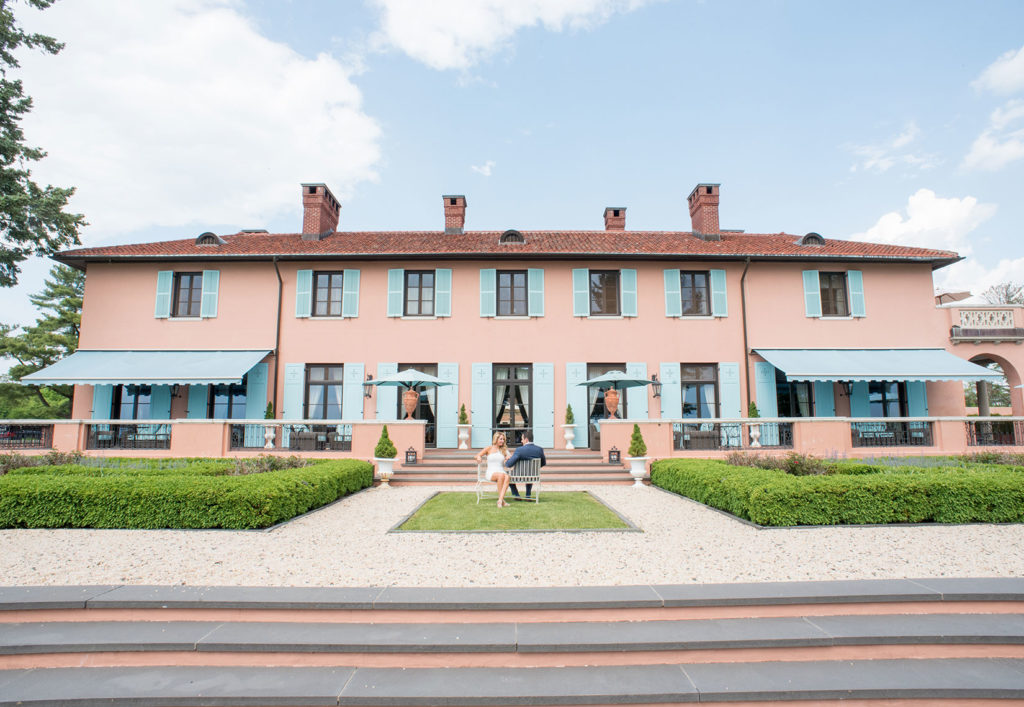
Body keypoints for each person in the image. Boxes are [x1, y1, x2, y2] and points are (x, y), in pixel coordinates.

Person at [504, 430, 546, 500]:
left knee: (506, 474)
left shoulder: (519, 450)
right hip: (534, 475)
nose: (521, 441)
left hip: (518, 476)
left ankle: (516, 495)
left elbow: (509, 464)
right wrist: (534, 469)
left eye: (522, 439)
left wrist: (507, 459)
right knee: (529, 473)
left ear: (526, 440)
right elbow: (543, 463)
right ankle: (528, 495)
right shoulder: (540, 449)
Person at [475, 431, 512, 507]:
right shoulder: (489, 448)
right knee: (501, 476)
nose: (502, 441)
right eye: (501, 439)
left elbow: (510, 458)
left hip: (501, 470)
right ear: (496, 439)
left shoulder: (504, 450)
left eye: (503, 439)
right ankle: (502, 501)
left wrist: (508, 458)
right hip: (491, 472)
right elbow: (477, 455)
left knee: (507, 477)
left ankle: (500, 500)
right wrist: (479, 457)